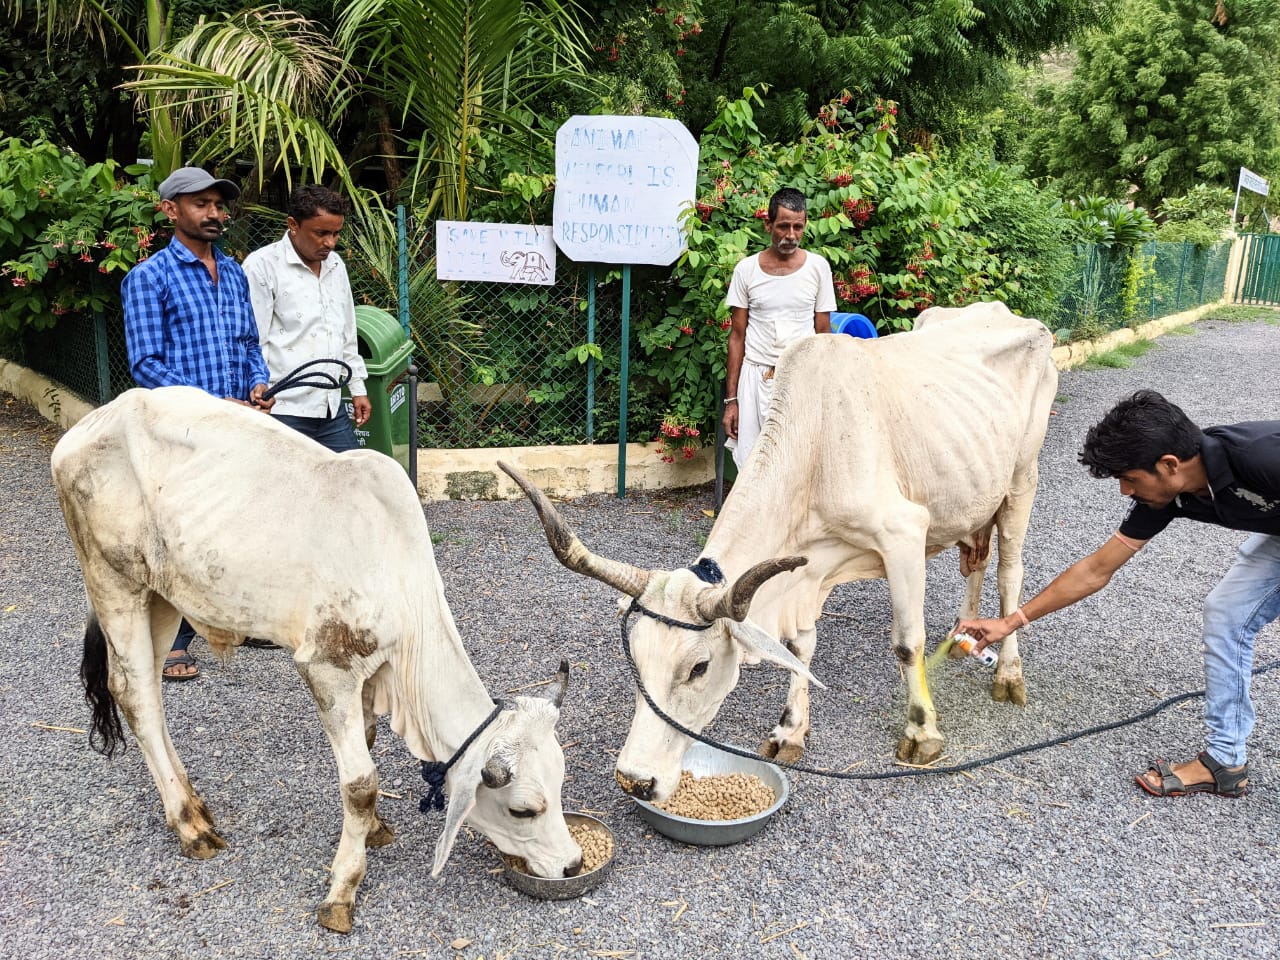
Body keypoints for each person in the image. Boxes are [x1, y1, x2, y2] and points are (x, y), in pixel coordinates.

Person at [957, 390, 1279, 798]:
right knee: (1228, 615)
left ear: (1169, 465)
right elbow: (1096, 569)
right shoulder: (1167, 496)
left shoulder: (1261, 458)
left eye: (1130, 478)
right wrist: (1010, 622)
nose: (1125, 491)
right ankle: (1225, 762)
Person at [122, 165, 274, 681]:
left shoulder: (233, 273)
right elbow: (146, 364)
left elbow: (250, 344)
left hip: (238, 424)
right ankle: (172, 641)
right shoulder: (149, 278)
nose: (214, 213)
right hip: (182, 432)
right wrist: (214, 406)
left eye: (218, 204)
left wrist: (258, 385)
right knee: (181, 532)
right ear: (170, 211)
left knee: (240, 524)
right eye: (201, 204)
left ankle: (237, 619)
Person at [243, 185, 370, 454]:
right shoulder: (262, 266)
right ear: (293, 225)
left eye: (336, 233)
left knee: (348, 483)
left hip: (330, 406)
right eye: (321, 233)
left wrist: (358, 388)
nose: (330, 243)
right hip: (281, 407)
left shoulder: (336, 266)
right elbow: (254, 339)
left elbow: (346, 333)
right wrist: (258, 390)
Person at [722, 187, 836, 469]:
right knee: (752, 465)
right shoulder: (746, 270)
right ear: (768, 224)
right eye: (783, 226)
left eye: (798, 227)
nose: (791, 235)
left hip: (802, 377)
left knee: (798, 463)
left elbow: (824, 333)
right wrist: (732, 401)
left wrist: (827, 390)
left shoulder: (818, 268)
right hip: (755, 377)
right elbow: (737, 337)